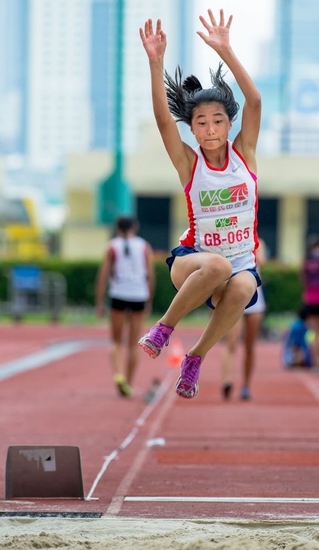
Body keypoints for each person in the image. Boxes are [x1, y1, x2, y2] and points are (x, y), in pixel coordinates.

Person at [138, 10, 262, 398]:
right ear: (192, 129)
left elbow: (254, 100)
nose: (210, 129)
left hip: (240, 261)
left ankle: (194, 359)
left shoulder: (245, 153)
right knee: (219, 264)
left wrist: (225, 50)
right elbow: (162, 122)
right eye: (202, 122)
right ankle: (164, 327)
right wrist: (156, 62)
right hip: (194, 261)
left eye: (218, 121)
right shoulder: (189, 163)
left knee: (243, 286)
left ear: (229, 124)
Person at [96, 216, 155, 397]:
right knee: (132, 344)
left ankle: (118, 375)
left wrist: (99, 302)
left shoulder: (112, 246)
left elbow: (103, 275)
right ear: (134, 228)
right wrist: (149, 301)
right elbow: (151, 275)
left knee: (115, 341)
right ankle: (129, 383)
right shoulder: (144, 246)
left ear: (117, 228)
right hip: (138, 294)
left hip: (118, 294)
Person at [221, 239, 267, 401]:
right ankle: (227, 381)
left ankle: (246, 385)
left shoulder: (257, 242)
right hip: (234, 298)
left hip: (255, 299)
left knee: (250, 346)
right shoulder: (227, 238)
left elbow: (260, 260)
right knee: (231, 342)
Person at [301, 235, 319, 370]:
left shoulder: (306, 261)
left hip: (311, 297)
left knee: (316, 331)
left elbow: (303, 280)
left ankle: (317, 362)